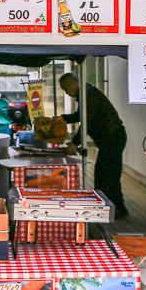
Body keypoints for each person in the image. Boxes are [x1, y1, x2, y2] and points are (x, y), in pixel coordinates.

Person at [58, 72, 130, 219]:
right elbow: (81, 116)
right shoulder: (86, 92)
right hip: (111, 138)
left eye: (66, 89)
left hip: (113, 138)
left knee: (107, 175)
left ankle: (114, 209)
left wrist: (74, 142)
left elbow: (86, 123)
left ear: (73, 84)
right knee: (105, 174)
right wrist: (62, 119)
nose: (66, 93)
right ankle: (113, 208)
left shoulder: (88, 96)